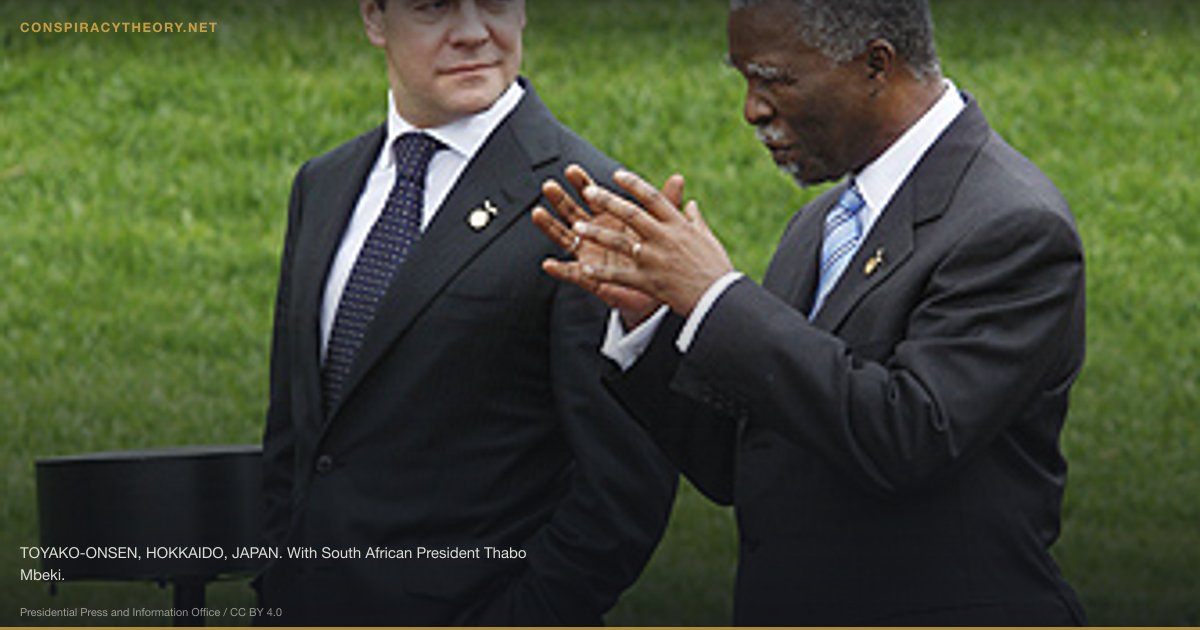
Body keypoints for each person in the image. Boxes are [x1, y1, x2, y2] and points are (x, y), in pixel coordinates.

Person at [532, 0, 1087, 624]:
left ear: (876, 65)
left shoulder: (1011, 225)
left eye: (773, 78)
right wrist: (653, 321)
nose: (752, 109)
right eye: (744, 79)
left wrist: (716, 299)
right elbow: (751, 460)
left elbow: (908, 436)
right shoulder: (821, 225)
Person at [256, 0, 676, 625]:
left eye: (496, 4)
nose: (475, 32)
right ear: (374, 19)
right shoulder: (323, 185)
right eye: (434, 8)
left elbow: (624, 486)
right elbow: (296, 428)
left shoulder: (587, 203)